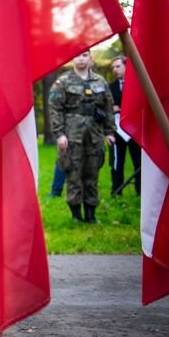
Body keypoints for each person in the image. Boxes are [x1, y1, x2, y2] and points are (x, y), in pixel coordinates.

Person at [48, 50, 115, 223]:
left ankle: (91, 214)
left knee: (92, 175)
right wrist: (60, 134)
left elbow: (108, 107)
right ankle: (76, 214)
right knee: (74, 174)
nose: (81, 58)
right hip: (72, 135)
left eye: (85, 55)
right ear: (72, 59)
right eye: (77, 55)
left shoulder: (100, 81)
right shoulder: (62, 81)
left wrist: (109, 132)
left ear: (91, 59)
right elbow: (55, 109)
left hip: (94, 134)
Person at [108, 56, 141, 195]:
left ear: (126, 67)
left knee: (139, 162)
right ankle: (116, 190)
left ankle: (141, 190)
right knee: (117, 162)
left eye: (118, 66)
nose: (115, 70)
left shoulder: (137, 84)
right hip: (117, 130)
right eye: (113, 67)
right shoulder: (110, 87)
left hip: (135, 130)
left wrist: (121, 108)